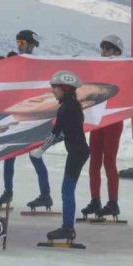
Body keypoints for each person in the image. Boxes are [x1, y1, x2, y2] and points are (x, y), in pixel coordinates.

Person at [30, 70, 89, 244]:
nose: (52, 90)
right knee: (67, 190)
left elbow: (56, 133)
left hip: (77, 153)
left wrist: (41, 150)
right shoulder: (73, 105)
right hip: (79, 150)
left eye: (55, 87)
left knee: (67, 190)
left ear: (65, 88)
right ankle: (67, 227)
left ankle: (68, 228)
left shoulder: (66, 108)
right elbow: (67, 133)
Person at [0, 29, 53, 211]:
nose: (19, 47)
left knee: (36, 156)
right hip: (16, 116)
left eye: (22, 43)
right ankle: (8, 191)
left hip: (34, 118)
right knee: (9, 155)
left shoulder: (38, 65)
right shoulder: (15, 61)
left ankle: (45, 195)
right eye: (18, 43)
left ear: (31, 45)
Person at [82, 34, 125, 219]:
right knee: (94, 163)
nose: (104, 52)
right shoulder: (97, 68)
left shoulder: (122, 69)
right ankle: (95, 200)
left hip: (113, 120)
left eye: (107, 49)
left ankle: (113, 203)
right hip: (98, 119)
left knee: (109, 162)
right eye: (103, 49)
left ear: (116, 52)